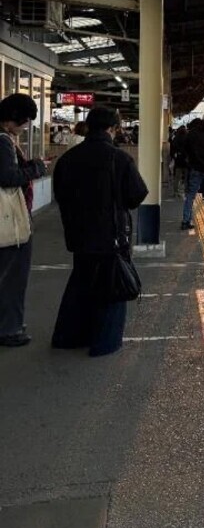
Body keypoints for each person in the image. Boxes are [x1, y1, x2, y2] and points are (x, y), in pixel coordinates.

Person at [51, 106, 148, 356]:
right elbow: (136, 195)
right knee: (112, 287)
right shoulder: (119, 158)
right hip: (111, 236)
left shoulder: (68, 158)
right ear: (112, 129)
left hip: (78, 235)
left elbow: (59, 194)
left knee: (81, 283)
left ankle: (69, 337)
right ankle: (104, 343)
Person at [0, 93, 47, 347]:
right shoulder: (3, 142)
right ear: (12, 120)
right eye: (25, 121)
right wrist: (37, 168)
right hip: (9, 220)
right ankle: (9, 328)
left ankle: (8, 323)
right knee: (13, 276)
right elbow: (7, 177)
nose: (26, 126)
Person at [170, 124, 188, 196]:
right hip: (186, 160)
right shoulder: (187, 138)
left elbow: (172, 150)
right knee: (186, 177)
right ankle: (185, 191)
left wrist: (174, 157)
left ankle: (175, 192)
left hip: (178, 160)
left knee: (177, 177)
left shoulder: (175, 138)